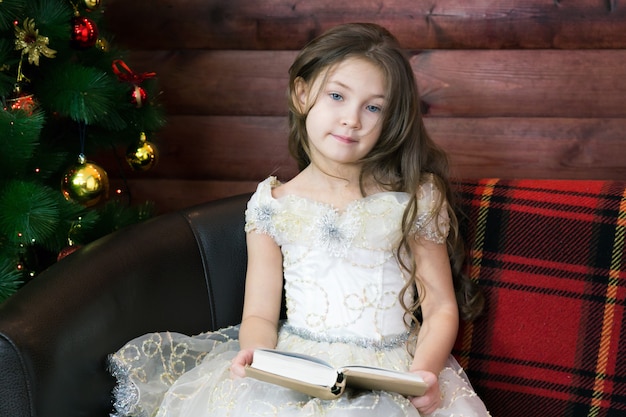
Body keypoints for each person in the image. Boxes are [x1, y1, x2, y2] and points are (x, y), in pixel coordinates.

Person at [109, 23, 490, 417]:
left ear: (391, 119)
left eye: (373, 107)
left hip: (393, 370)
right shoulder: (272, 204)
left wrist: (423, 375)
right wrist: (255, 355)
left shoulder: (415, 197)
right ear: (302, 93)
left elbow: (442, 306)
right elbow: (259, 313)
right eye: (337, 96)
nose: (351, 120)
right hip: (301, 368)